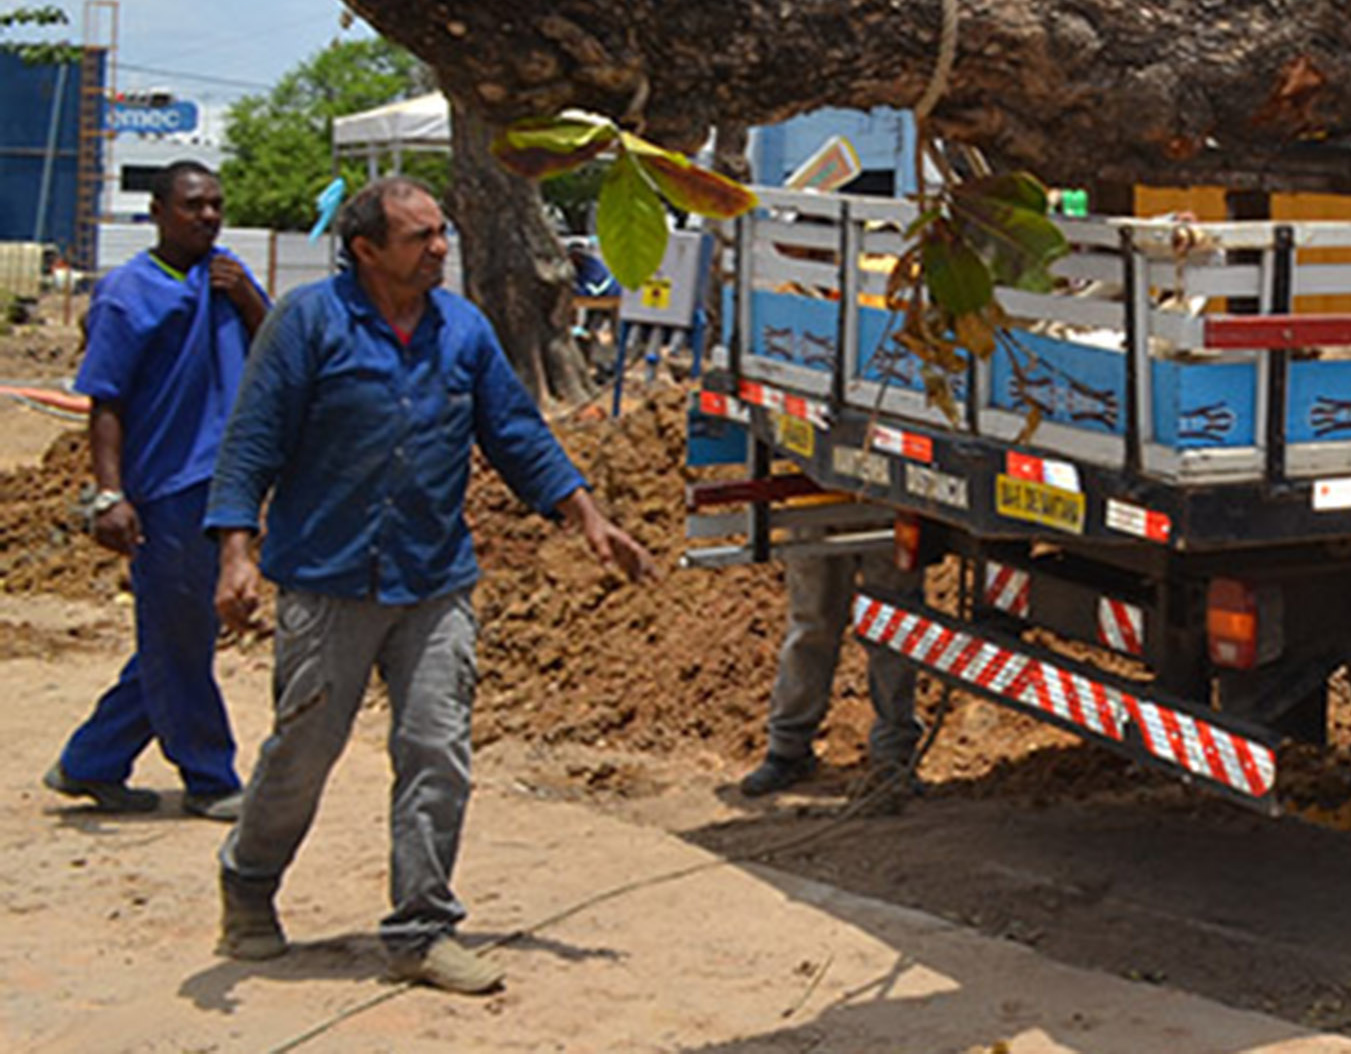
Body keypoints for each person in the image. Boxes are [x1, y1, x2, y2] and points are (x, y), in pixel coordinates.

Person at [205, 177, 652, 995]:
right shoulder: (310, 324)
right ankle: (249, 883)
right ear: (367, 249)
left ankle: (421, 928)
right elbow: (252, 443)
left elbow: (516, 434)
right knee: (305, 751)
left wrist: (587, 516)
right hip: (326, 578)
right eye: (421, 237)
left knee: (436, 749)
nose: (441, 248)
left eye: (443, 232)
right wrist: (236, 555)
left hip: (434, 579)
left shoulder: (463, 330)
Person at [45, 161, 265, 820]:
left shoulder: (225, 282)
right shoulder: (127, 294)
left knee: (176, 637)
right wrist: (110, 496)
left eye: (216, 205)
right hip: (165, 487)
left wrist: (251, 298)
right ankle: (209, 776)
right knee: (182, 639)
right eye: (194, 205)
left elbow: (282, 352)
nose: (208, 217)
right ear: (158, 212)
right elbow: (104, 402)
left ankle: (92, 761)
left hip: (223, 484)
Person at [741, 543, 923, 800]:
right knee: (812, 628)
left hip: (887, 511)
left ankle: (893, 760)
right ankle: (787, 752)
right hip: (814, 509)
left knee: (894, 628)